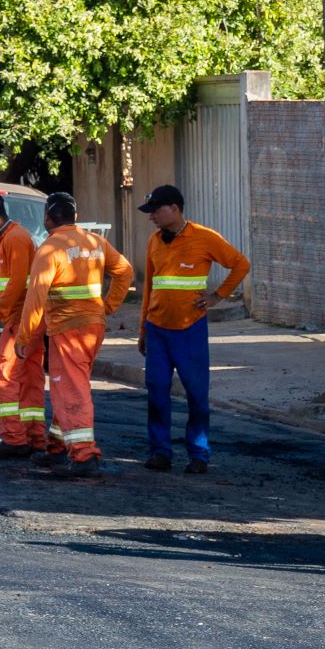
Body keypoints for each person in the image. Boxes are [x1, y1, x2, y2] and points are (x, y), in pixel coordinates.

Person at [14, 192, 134, 478]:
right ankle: (57, 447)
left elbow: (36, 296)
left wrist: (24, 336)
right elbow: (125, 272)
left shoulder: (50, 248)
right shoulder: (94, 241)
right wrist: (108, 306)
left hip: (68, 328)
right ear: (75, 217)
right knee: (68, 385)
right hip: (93, 326)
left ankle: (83, 456)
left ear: (47, 218)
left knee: (70, 389)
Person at [136, 184, 250, 475]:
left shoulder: (204, 238)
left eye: (156, 211)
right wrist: (142, 330)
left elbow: (240, 264)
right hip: (157, 329)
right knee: (157, 391)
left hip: (190, 330)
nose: (152, 218)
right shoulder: (154, 242)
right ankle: (160, 452)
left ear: (174, 208)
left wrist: (217, 297)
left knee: (197, 395)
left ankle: (199, 454)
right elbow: (149, 286)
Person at [0, 192, 44, 460]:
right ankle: (34, 436)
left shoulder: (13, 239)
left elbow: (15, 284)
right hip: (29, 316)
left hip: (20, 318)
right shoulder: (15, 237)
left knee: (3, 374)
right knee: (29, 378)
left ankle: (14, 438)